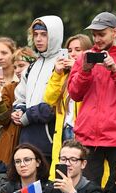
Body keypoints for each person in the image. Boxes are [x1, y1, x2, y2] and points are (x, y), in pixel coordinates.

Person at [68, 12, 116, 186]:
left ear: (115, 32)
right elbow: (74, 93)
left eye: (101, 34)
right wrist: (85, 71)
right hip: (88, 137)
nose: (96, 39)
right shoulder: (84, 58)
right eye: (94, 34)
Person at [12, 16, 64, 160]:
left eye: (44, 34)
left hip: (49, 144)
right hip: (27, 141)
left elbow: (54, 106)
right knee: (28, 183)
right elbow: (20, 97)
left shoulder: (62, 64)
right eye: (35, 35)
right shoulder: (33, 66)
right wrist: (18, 111)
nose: (38, 39)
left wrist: (28, 116)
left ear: (54, 35)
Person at [44, 34, 92, 177]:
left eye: (78, 49)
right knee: (62, 175)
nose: (72, 54)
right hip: (64, 130)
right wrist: (57, 73)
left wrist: (78, 69)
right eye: (69, 50)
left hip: (82, 131)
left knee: (81, 175)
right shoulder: (63, 76)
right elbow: (49, 99)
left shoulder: (92, 73)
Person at [0, 47, 36, 165]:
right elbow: (2, 119)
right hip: (11, 146)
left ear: (33, 65)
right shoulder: (10, 88)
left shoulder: (42, 87)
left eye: (21, 65)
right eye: (15, 67)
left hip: (35, 142)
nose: (17, 70)